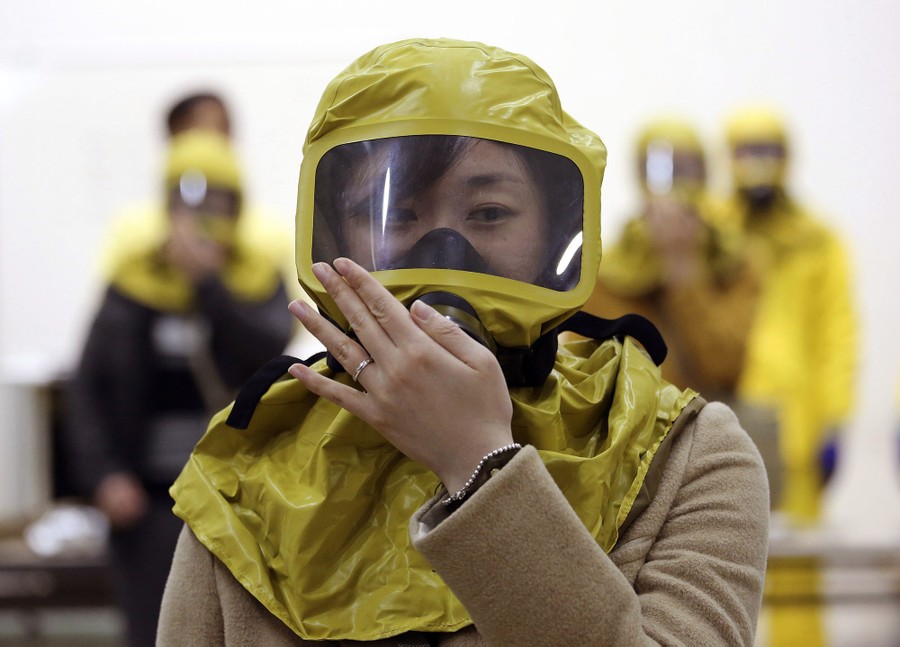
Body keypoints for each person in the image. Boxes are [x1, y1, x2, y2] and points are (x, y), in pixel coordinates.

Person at [157, 38, 769, 645]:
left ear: (556, 232)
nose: (444, 253)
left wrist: (478, 465)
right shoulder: (248, 483)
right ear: (331, 231)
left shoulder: (678, 457)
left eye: (489, 213)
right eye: (395, 215)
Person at [64, 129, 294, 647]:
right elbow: (89, 388)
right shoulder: (131, 282)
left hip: (243, 501)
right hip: (148, 505)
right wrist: (104, 476)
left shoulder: (257, 275)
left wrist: (209, 285)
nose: (203, 215)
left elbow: (268, 353)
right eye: (188, 200)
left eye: (219, 201)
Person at [719, 105, 857, 525]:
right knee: (726, 551)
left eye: (768, 150)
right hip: (728, 416)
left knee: (799, 566)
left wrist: (835, 419)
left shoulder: (816, 241)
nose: (758, 163)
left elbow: (838, 332)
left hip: (800, 424)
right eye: (746, 151)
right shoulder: (716, 235)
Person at [576, 117, 762, 399]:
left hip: (709, 429)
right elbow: (589, 379)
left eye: (686, 170)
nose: (675, 185)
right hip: (629, 435)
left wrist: (684, 268)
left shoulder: (735, 264)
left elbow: (726, 371)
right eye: (660, 169)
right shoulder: (606, 271)